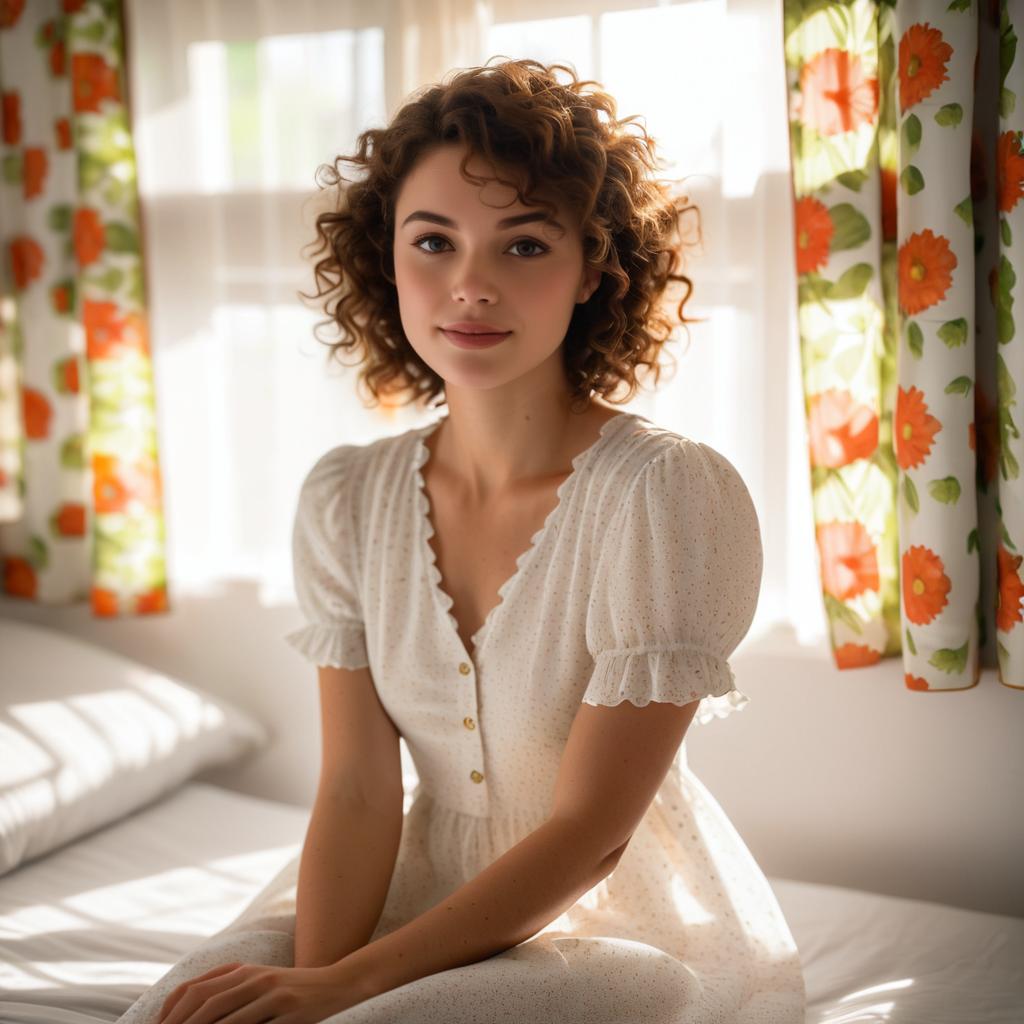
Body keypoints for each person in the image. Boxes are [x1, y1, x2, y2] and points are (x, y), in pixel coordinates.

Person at [119, 57, 806, 1024]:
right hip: (405, 900)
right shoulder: (345, 502)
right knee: (185, 1005)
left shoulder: (664, 495)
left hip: (604, 928)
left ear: (594, 269)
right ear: (385, 259)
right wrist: (315, 983)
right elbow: (358, 792)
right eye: (433, 242)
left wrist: (348, 989)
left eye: (523, 248)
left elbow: (591, 833)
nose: (470, 285)